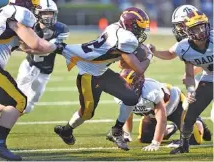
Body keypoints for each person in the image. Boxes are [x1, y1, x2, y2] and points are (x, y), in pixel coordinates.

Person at [54, 7, 153, 151]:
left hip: (102, 72)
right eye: (139, 28)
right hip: (88, 75)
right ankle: (67, 130)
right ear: (130, 25)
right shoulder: (126, 38)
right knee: (87, 113)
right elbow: (140, 69)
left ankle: (117, 130)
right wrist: (149, 55)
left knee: (131, 98)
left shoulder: (115, 27)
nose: (141, 32)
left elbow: (120, 63)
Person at [0, 0, 61, 160]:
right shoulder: (19, 13)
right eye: (35, 7)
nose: (36, 11)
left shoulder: (3, 12)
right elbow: (36, 44)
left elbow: (25, 46)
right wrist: (56, 46)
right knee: (19, 101)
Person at [149, 10, 213, 154]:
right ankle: (184, 146)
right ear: (188, 31)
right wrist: (191, 90)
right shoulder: (184, 48)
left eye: (203, 26)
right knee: (190, 114)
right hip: (209, 79)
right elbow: (189, 74)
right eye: (197, 28)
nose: (201, 31)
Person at [117, 69, 210, 151]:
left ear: (138, 84)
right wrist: (127, 134)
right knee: (145, 138)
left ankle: (197, 121)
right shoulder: (120, 95)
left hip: (175, 105)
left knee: (193, 140)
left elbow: (162, 120)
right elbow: (127, 113)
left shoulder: (150, 92)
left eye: (129, 86)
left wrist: (155, 143)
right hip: (152, 112)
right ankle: (171, 128)